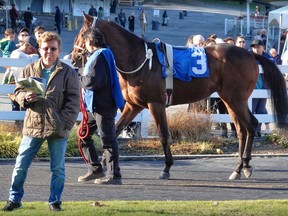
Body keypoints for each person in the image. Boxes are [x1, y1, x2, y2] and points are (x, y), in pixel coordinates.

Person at [1, 31, 80, 212]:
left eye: (53, 49)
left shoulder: (68, 73)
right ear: (39, 49)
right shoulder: (30, 69)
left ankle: (55, 201)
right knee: (20, 165)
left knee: (58, 169)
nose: (48, 52)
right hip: (33, 126)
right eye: (45, 48)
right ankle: (14, 199)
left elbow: (74, 102)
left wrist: (64, 124)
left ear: (59, 50)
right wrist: (25, 98)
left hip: (57, 127)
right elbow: (17, 92)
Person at [77, 28, 124, 185]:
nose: (85, 45)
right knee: (83, 135)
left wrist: (78, 77)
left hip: (102, 106)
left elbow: (92, 82)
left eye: (85, 42)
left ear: (90, 42)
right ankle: (95, 169)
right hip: (95, 106)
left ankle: (114, 175)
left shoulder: (101, 57)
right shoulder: (101, 55)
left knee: (108, 141)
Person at [4, 36, 39, 114]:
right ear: (26, 45)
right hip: (20, 85)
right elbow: (32, 58)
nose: (31, 51)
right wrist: (34, 56)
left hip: (21, 84)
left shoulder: (18, 53)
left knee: (22, 108)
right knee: (19, 108)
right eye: (31, 48)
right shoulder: (18, 54)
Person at [250, 39, 274, 137]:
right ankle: (251, 129)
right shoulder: (249, 58)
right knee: (251, 109)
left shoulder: (268, 58)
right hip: (253, 87)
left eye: (258, 47)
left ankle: (258, 130)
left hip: (264, 87)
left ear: (263, 48)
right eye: (254, 47)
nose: (256, 49)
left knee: (260, 110)